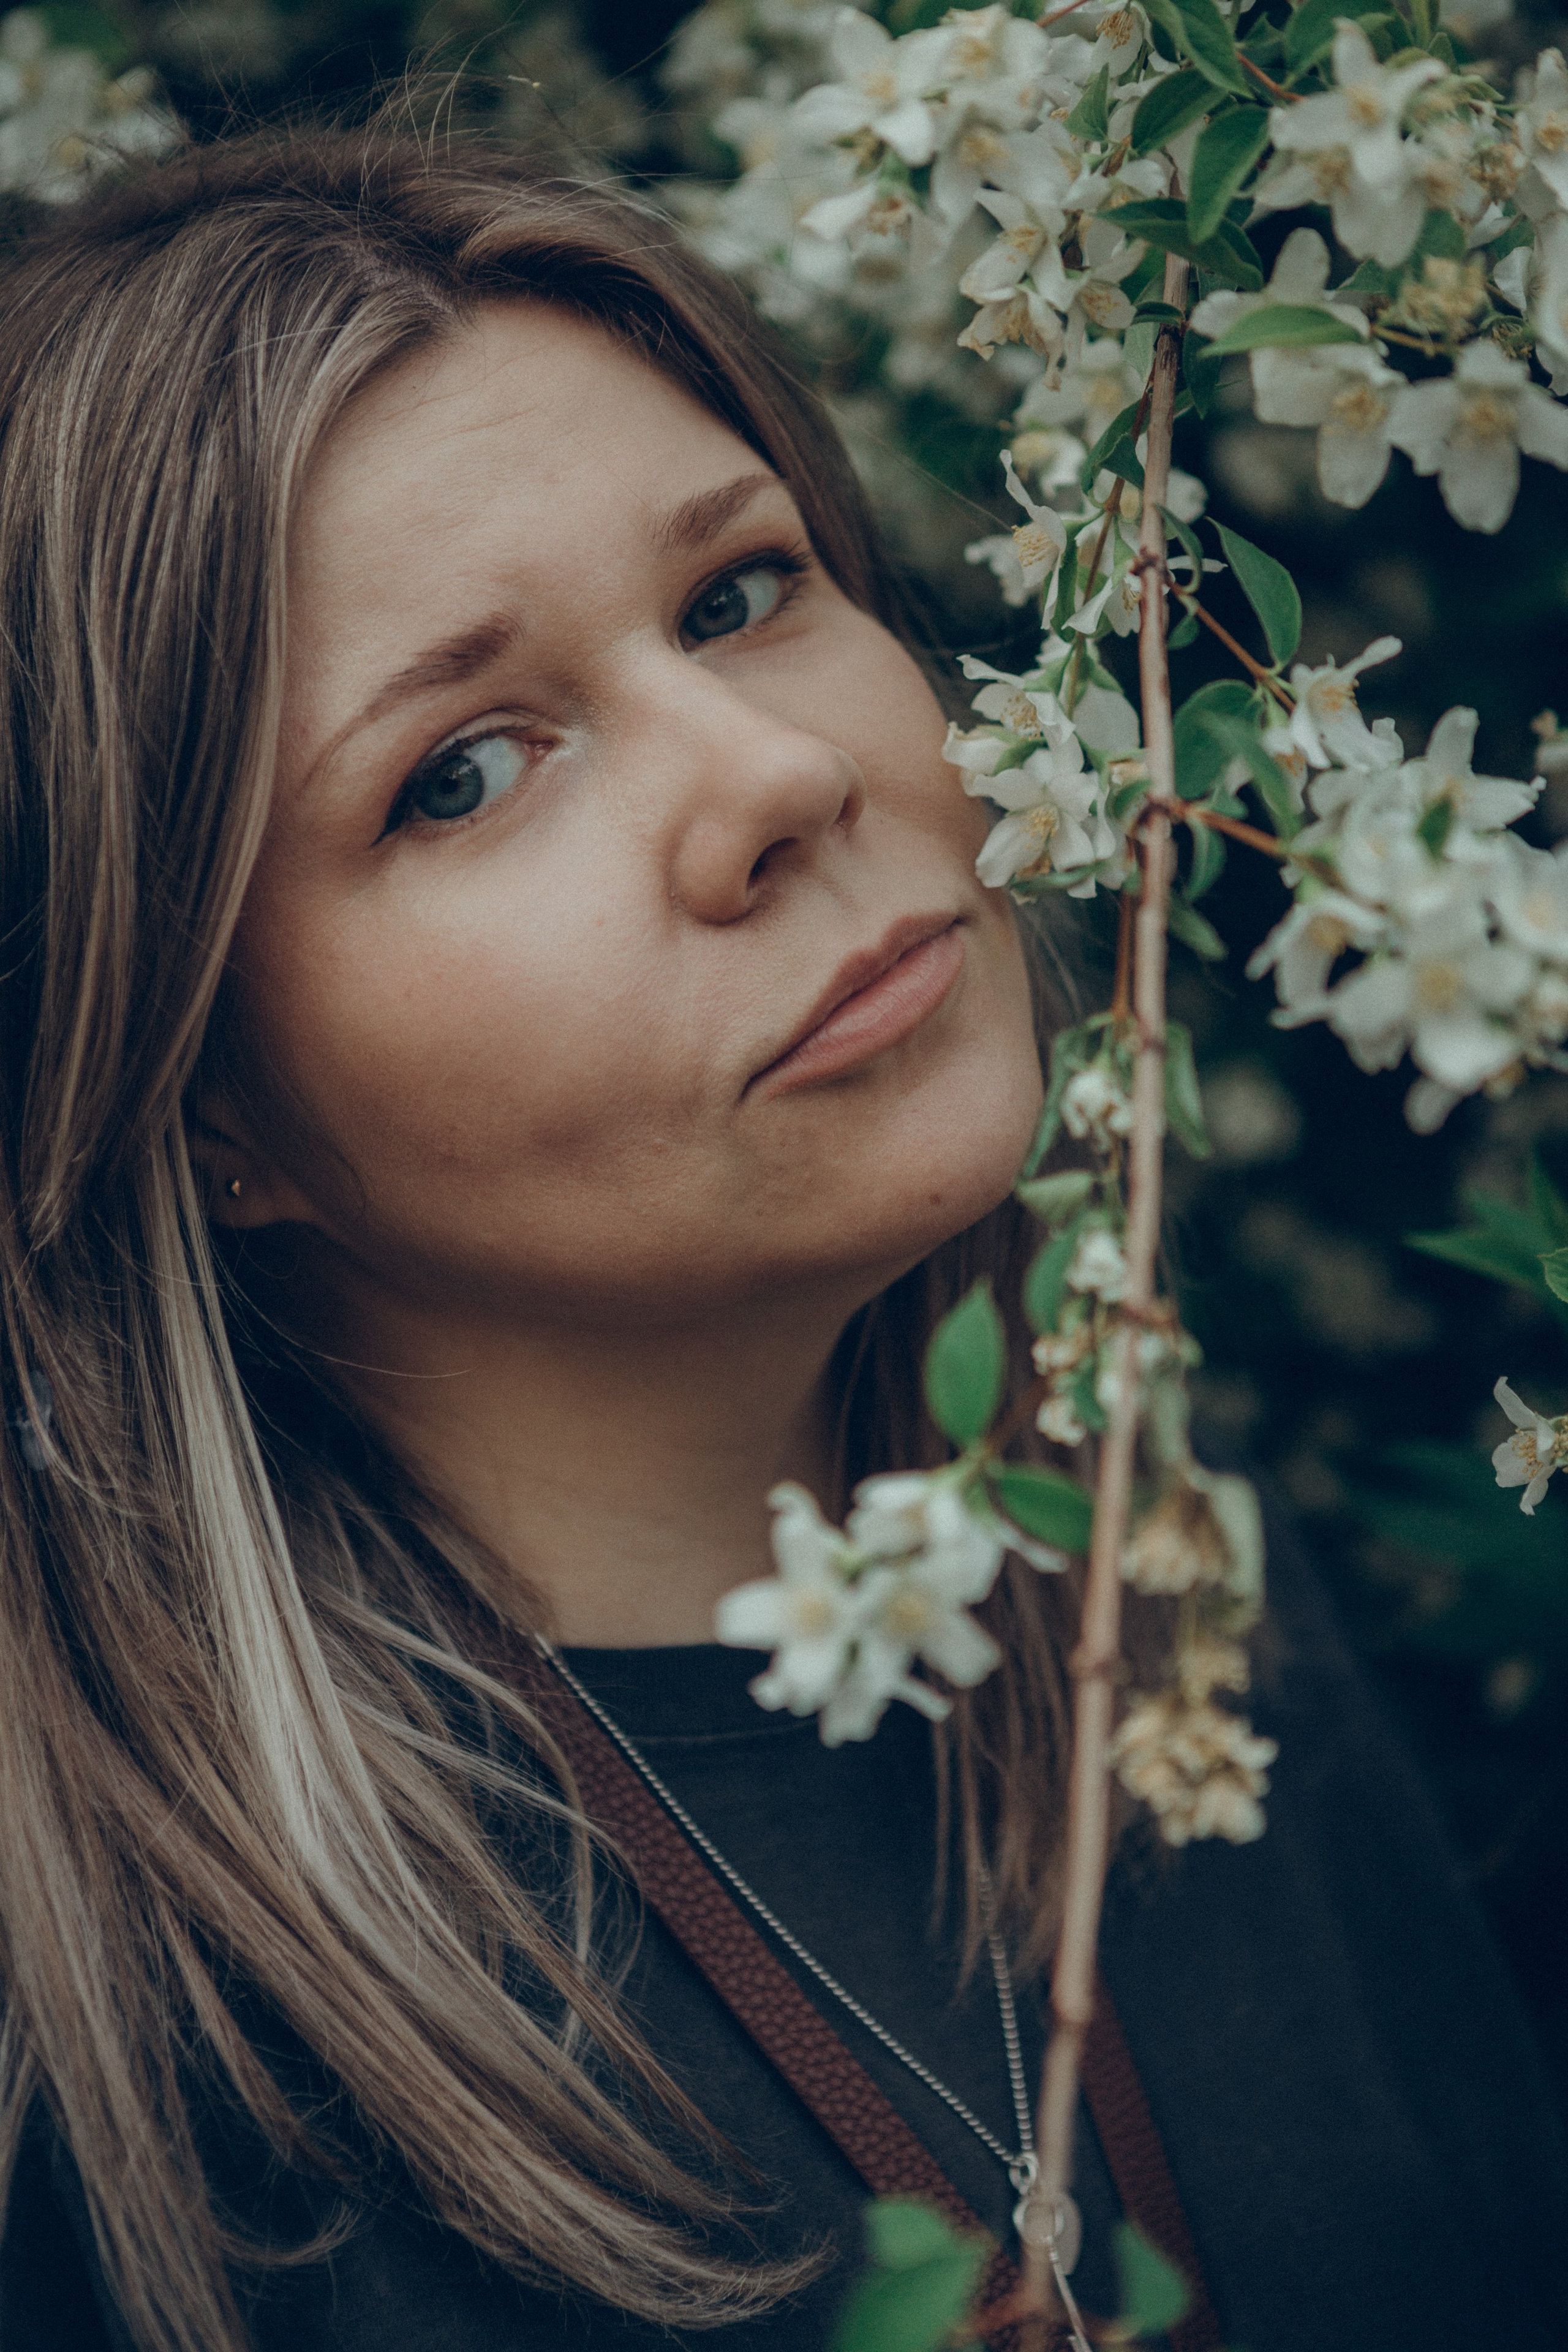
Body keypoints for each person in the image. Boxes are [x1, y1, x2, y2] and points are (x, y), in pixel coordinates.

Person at [0, 130, 1562, 2352]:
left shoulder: (1179, 1610)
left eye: (742, 593)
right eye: (463, 768)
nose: (773, 781)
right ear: (198, 1095)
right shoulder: (142, 2113)